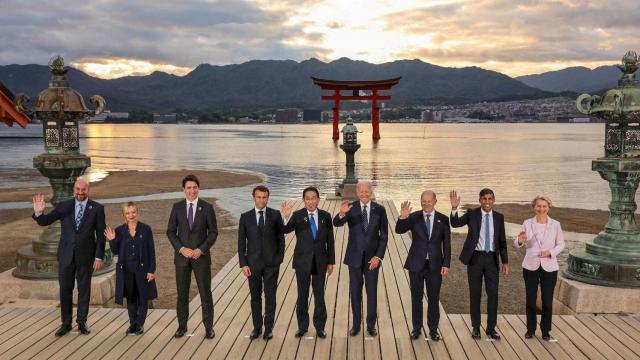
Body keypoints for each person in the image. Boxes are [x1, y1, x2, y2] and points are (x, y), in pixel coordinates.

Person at [32, 177, 105, 336]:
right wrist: (38, 212)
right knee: (65, 290)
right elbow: (46, 221)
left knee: (84, 290)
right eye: (77, 190)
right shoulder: (64, 206)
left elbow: (101, 235)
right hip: (65, 256)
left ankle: (82, 322)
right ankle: (66, 323)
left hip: (86, 257)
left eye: (83, 190)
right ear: (74, 190)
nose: (80, 193)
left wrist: (98, 257)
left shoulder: (97, 208)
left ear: (88, 190)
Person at [450, 188, 509, 340]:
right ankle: (476, 327)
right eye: (484, 199)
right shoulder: (472, 214)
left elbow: (502, 241)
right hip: (475, 258)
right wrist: (454, 208)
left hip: (491, 260)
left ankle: (491, 329)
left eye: (490, 199)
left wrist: (505, 262)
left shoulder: (499, 217)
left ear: (494, 200)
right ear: (480, 200)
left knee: (493, 295)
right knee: (475, 294)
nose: (487, 202)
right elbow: (455, 224)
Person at [333, 180, 388, 337]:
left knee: (371, 292)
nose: (364, 194)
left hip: (373, 260)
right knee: (355, 292)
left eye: (367, 191)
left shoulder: (380, 210)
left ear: (371, 192)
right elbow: (337, 223)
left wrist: (378, 256)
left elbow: (384, 236)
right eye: (361, 191)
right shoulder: (351, 207)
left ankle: (371, 325)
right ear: (357, 193)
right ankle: (356, 325)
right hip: (354, 258)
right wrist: (342, 213)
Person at [167, 174, 218, 339]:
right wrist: (181, 248)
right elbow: (170, 232)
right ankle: (182, 326)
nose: (192, 190)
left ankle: (209, 327)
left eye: (194, 187)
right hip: (182, 259)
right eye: (188, 188)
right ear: (183, 189)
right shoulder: (177, 207)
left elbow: (213, 233)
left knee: (205, 293)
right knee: (182, 294)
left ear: (198, 188)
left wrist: (201, 250)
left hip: (201, 258)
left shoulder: (207, 208)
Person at [395, 190, 450, 341]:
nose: (426, 203)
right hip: (416, 264)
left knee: (433, 298)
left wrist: (446, 264)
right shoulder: (414, 217)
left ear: (435, 202)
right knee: (416, 298)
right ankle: (416, 329)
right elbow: (399, 230)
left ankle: (433, 330)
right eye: (423, 201)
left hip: (435, 266)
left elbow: (447, 244)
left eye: (429, 201)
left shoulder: (443, 219)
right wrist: (403, 217)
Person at [281, 186, 335, 339]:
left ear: (318, 199)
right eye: (308, 198)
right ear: (304, 200)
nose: (311, 201)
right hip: (302, 262)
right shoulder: (297, 215)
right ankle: (302, 327)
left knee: (319, 296)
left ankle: (320, 327)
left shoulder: (326, 216)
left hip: (320, 262)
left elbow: (330, 241)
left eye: (313, 198)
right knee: (302, 295)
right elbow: (286, 230)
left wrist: (331, 262)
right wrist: (286, 217)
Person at [238, 185, 285, 341]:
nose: (261, 200)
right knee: (255, 297)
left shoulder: (276, 215)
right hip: (253, 265)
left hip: (272, 264)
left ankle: (268, 328)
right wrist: (243, 264)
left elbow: (280, 238)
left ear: (268, 198)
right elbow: (241, 244)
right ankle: (257, 327)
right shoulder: (245, 217)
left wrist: (279, 259)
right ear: (253, 198)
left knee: (270, 296)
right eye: (258, 197)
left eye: (264, 197)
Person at [515, 195, 565, 341]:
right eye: (538, 206)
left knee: (547, 301)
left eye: (544, 206)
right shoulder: (527, 223)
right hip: (530, 265)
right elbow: (517, 243)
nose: (541, 209)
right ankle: (530, 330)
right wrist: (519, 240)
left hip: (549, 267)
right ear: (534, 207)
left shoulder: (556, 224)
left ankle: (545, 331)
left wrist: (550, 252)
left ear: (549, 207)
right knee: (530, 300)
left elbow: (561, 244)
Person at [104, 201, 157, 335]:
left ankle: (139, 324)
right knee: (131, 299)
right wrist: (112, 240)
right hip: (126, 270)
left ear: (137, 212)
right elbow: (115, 251)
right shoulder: (119, 231)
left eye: (133, 212)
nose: (131, 215)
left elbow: (151, 251)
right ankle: (133, 324)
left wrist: (151, 270)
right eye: (128, 213)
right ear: (124, 215)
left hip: (143, 270)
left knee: (143, 298)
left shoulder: (146, 229)